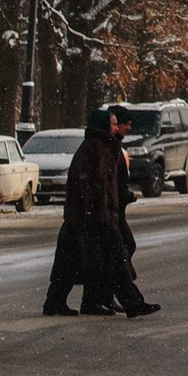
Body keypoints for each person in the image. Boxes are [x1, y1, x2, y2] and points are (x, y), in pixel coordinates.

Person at [44, 106, 158, 317]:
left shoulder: (95, 146)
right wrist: (102, 214)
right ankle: (131, 303)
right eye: (113, 124)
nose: (117, 128)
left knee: (73, 263)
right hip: (96, 217)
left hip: (85, 216)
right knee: (114, 261)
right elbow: (97, 185)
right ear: (105, 126)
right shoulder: (100, 148)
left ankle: (57, 302)